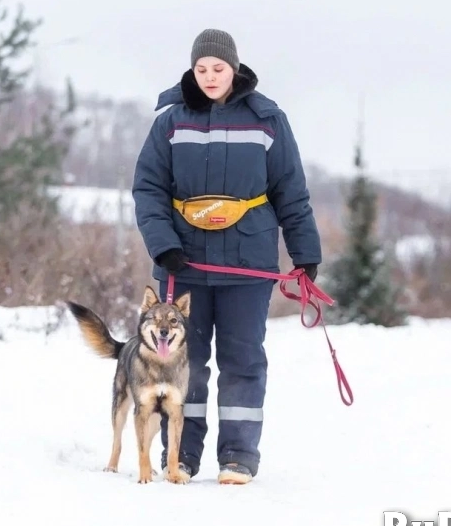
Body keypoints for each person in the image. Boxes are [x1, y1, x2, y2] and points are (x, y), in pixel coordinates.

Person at [131, 28, 322, 485]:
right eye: (201, 69)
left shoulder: (268, 120)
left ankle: (238, 456)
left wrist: (305, 253)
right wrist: (164, 246)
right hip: (185, 265)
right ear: (191, 71)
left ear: (234, 68)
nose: (210, 76)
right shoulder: (171, 122)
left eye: (218, 68)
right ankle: (181, 455)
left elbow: (290, 192)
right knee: (184, 362)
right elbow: (149, 189)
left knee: (243, 359)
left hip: (247, 264)